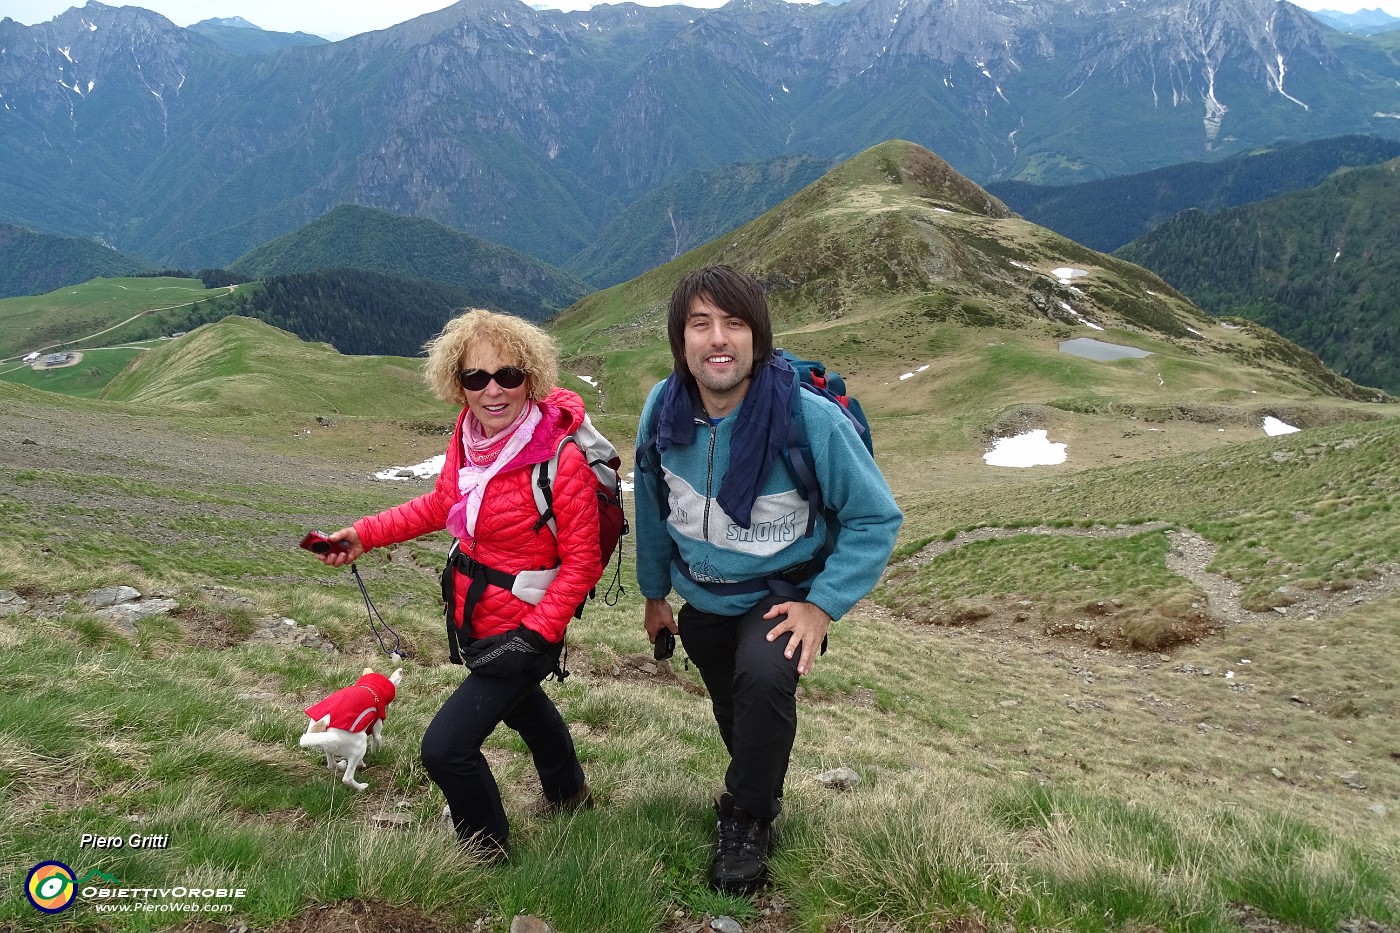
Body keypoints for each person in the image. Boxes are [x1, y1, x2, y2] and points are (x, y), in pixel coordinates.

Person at [633, 265, 903, 894]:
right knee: (736, 704)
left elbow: (874, 518)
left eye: (735, 323)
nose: (718, 339)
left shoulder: (808, 421)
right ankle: (756, 779)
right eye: (701, 324)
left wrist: (823, 606)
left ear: (758, 338)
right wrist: (654, 596)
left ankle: (748, 819)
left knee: (762, 678)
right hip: (701, 594)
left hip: (784, 595)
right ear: (681, 341)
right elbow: (650, 502)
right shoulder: (663, 408)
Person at [310, 308, 602, 860]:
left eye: (508, 375)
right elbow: (443, 505)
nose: (493, 391)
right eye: (475, 377)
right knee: (525, 710)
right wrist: (363, 535)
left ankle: (486, 853)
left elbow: (582, 562)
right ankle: (571, 796)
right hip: (476, 618)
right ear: (457, 383)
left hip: (527, 628)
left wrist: (536, 638)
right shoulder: (466, 440)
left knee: (445, 749)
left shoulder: (559, 459)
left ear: (531, 377)